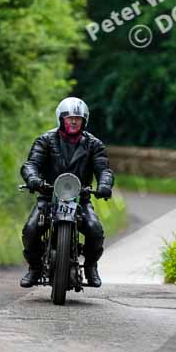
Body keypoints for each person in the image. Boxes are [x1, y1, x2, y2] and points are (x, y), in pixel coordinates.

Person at [19, 97, 114, 289]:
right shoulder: (45, 140)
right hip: (49, 197)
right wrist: (33, 179)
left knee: (95, 230)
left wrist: (104, 184)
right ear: (61, 119)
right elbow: (31, 164)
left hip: (81, 199)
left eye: (78, 118)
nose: (73, 121)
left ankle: (90, 266)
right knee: (30, 230)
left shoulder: (94, 144)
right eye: (69, 117)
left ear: (84, 121)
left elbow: (103, 169)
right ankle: (35, 268)